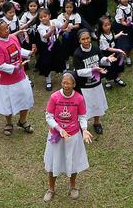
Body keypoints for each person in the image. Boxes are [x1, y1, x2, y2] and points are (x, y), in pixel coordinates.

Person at [43, 71, 93, 202]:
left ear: (74, 84)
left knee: (73, 161)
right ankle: (51, 189)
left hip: (73, 136)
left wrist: (84, 129)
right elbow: (49, 116)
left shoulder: (79, 99)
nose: (65, 85)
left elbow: (82, 116)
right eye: (63, 83)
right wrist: (59, 129)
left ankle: (73, 187)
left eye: (68, 83)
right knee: (53, 162)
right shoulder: (54, 97)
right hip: (56, 136)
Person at [0, 17, 34, 135]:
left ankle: (22, 121)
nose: (7, 30)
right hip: (6, 81)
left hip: (20, 76)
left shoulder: (13, 37)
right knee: (7, 103)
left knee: (25, 98)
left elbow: (19, 50)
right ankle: (9, 123)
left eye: (7, 27)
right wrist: (15, 67)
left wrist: (29, 53)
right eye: (4, 29)